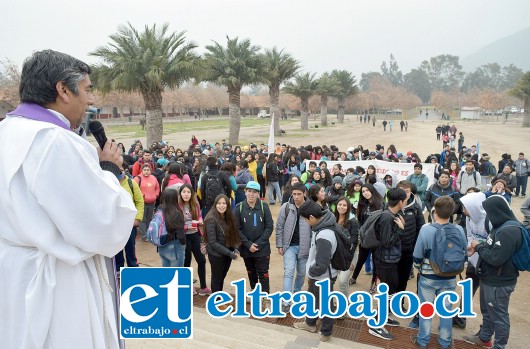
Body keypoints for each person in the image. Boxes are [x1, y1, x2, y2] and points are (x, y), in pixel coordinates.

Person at [0, 50, 137, 349]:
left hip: (14, 274)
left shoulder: (6, 131)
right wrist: (111, 171)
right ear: (63, 89)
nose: (90, 100)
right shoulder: (55, 141)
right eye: (87, 90)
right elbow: (104, 225)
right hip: (59, 282)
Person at [464, 195, 523, 349]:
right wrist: (479, 246)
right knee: (487, 311)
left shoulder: (509, 231)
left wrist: (478, 247)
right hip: (489, 278)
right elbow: (492, 247)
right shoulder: (499, 226)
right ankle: (484, 338)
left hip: (499, 282)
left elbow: (495, 258)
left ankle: (499, 346)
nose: (487, 215)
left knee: (499, 316)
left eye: (488, 211)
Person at [412, 194, 466, 349]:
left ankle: (423, 341)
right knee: (446, 311)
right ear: (452, 213)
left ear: (434, 211)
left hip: (428, 276)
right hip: (449, 276)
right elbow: (463, 252)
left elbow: (417, 255)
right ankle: (445, 342)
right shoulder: (459, 229)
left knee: (426, 310)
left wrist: (418, 268)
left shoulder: (426, 229)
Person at [293, 200, 338, 342]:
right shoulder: (323, 225)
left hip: (322, 277)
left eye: (306, 220)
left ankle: (326, 333)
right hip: (318, 276)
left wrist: (311, 273)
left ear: (311, 218)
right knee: (312, 300)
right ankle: (310, 323)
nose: (306, 223)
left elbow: (321, 265)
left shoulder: (324, 235)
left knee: (325, 304)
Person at [367, 188, 406, 341]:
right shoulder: (386, 217)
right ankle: (376, 325)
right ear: (401, 201)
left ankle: (382, 316)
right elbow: (387, 242)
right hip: (384, 261)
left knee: (392, 289)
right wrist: (400, 230)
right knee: (387, 290)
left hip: (390, 259)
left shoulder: (392, 215)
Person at [275, 183, 312, 313]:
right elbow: (279, 226)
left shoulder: (311, 209)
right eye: (294, 194)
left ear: (304, 194)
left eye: (299, 194)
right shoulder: (286, 207)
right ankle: (286, 301)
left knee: (301, 274)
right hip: (289, 246)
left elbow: (315, 229)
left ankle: (297, 294)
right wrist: (279, 244)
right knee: (289, 272)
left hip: (305, 248)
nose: (296, 197)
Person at [235, 181, 274, 300]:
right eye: (249, 191)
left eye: (255, 192)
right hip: (246, 248)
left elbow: (269, 227)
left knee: (263, 272)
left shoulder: (264, 207)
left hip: (262, 248)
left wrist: (258, 244)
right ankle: (254, 292)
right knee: (251, 271)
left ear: (258, 194)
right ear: (245, 192)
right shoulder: (239, 208)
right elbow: (237, 229)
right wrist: (248, 244)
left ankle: (265, 294)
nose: (251, 194)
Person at [178, 184, 210, 296]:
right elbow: (175, 223)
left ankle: (203, 287)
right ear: (180, 193)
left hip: (195, 235)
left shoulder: (195, 204)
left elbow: (200, 215)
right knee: (186, 261)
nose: (186, 194)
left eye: (188, 192)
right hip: (184, 236)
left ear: (192, 194)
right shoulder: (178, 206)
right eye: (184, 192)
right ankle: (187, 286)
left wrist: (200, 220)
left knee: (201, 260)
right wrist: (186, 227)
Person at [204, 194, 241, 293]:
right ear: (215, 204)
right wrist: (230, 253)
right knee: (216, 278)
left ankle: (219, 297)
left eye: (224, 203)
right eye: (219, 203)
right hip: (216, 254)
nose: (221, 205)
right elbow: (212, 242)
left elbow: (234, 234)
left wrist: (236, 248)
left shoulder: (228, 216)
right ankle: (216, 301)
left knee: (222, 277)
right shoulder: (210, 219)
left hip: (227, 252)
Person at [155, 188, 186, 267]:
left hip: (162, 245)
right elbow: (181, 236)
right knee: (177, 275)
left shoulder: (159, 209)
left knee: (167, 274)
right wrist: (183, 245)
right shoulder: (177, 213)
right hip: (174, 247)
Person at [135, 163, 160, 241]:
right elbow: (135, 190)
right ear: (142, 170)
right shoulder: (137, 178)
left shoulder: (153, 178)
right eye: (145, 170)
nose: (146, 171)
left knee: (149, 219)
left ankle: (149, 234)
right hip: (142, 203)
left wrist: (156, 195)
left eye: (148, 170)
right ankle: (144, 236)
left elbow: (157, 188)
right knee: (143, 220)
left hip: (152, 202)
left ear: (151, 170)